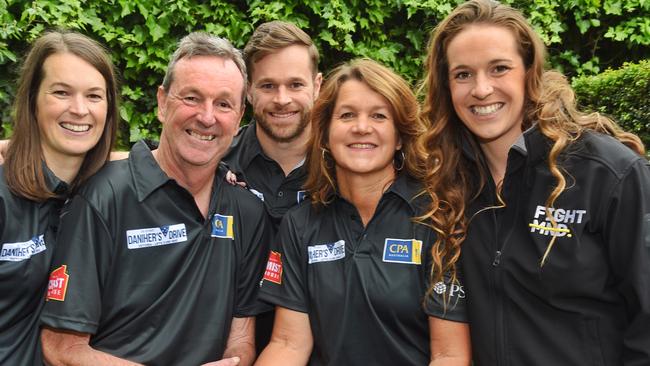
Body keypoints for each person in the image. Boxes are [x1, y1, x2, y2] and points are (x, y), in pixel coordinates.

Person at [419, 0, 650, 365]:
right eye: (463, 74)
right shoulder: (448, 186)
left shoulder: (608, 173)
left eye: (499, 69)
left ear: (530, 72)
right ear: (446, 86)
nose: (481, 90)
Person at [40, 32, 272, 366]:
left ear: (239, 119)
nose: (207, 117)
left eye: (223, 104)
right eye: (192, 98)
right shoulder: (103, 198)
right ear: (162, 102)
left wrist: (235, 361)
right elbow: (61, 348)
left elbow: (240, 339)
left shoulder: (247, 211)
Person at [256, 59, 471, 366]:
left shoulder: (436, 218)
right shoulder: (299, 224)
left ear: (399, 137)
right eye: (347, 115)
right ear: (326, 134)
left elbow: (450, 356)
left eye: (379, 116)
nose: (361, 127)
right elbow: (288, 344)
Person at [0, 30, 118, 365]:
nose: (80, 109)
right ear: (33, 101)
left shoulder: (99, 193)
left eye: (94, 96)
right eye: (62, 93)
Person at [222, 20, 322, 353]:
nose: (282, 99)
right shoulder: (216, 162)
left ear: (317, 86)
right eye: (267, 86)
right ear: (248, 91)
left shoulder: (347, 167)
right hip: (230, 347)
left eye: (295, 84)